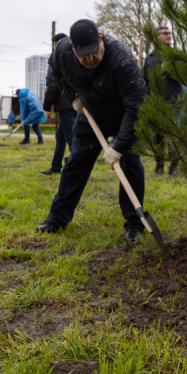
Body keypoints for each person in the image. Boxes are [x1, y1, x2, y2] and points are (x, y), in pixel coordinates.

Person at [35, 19, 148, 243]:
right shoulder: (62, 52)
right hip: (89, 114)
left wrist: (119, 145)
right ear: (73, 49)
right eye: (83, 54)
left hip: (122, 116)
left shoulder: (121, 60)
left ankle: (135, 225)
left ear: (100, 40)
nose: (90, 59)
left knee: (130, 165)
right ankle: (56, 219)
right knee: (76, 162)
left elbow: (136, 106)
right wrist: (73, 97)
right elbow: (56, 74)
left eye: (94, 52)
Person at [143, 25, 182, 176]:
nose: (168, 36)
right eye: (165, 33)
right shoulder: (150, 57)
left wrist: (172, 69)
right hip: (156, 102)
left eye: (169, 33)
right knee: (158, 135)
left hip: (173, 101)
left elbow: (184, 75)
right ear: (157, 37)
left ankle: (173, 168)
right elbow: (145, 81)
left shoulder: (174, 55)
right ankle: (159, 166)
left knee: (172, 135)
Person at [40, 33, 76, 176]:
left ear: (55, 44)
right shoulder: (72, 57)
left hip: (65, 105)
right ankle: (55, 167)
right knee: (61, 137)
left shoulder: (56, 59)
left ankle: (77, 170)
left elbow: (52, 85)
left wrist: (47, 107)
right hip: (73, 102)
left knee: (72, 139)